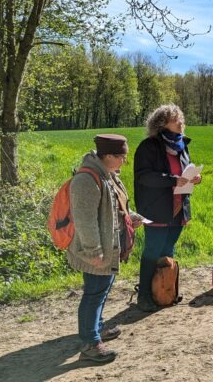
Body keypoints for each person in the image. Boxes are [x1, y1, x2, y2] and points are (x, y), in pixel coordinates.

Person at [68, 134, 143, 362]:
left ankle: (98, 328)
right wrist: (93, 251)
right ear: (108, 155)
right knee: (94, 294)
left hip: (110, 245)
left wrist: (131, 218)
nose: (124, 162)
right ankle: (90, 343)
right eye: (122, 157)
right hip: (97, 249)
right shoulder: (86, 180)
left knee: (102, 290)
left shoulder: (109, 175)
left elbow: (114, 209)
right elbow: (85, 220)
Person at [133, 104, 202, 312]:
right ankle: (144, 295)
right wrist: (173, 180)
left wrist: (195, 178)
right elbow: (144, 176)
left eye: (181, 118)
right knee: (153, 252)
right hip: (156, 208)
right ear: (162, 123)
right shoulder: (148, 147)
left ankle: (166, 290)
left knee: (168, 250)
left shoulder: (182, 146)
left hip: (178, 208)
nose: (181, 122)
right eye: (175, 119)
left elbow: (185, 171)